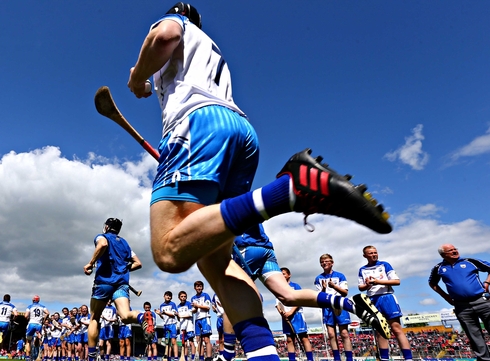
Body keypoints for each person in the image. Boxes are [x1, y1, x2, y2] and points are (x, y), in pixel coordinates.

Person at [127, 3, 392, 361]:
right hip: (240, 133)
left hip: (195, 126)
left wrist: (137, 77)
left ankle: (289, 191)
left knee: (169, 253)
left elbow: (165, 35)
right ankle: (263, 355)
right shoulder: (209, 48)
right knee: (220, 268)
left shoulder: (180, 23)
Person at [216, 225, 389, 361]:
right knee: (288, 295)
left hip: (246, 247)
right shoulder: (245, 196)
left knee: (230, 298)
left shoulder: (228, 195)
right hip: (266, 249)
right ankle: (348, 303)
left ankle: (228, 354)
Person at [83, 218, 144, 361]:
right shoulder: (125, 243)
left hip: (104, 283)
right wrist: (122, 269)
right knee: (125, 316)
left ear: (106, 227)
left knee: (94, 318)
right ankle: (142, 316)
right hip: (121, 283)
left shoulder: (102, 236)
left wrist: (91, 263)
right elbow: (138, 263)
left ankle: (92, 356)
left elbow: (102, 244)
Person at [428, 244, 490, 361]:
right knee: (474, 336)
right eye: (450, 250)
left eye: (455, 249)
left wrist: (487, 283)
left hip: (482, 301)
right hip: (461, 306)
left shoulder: (470, 262)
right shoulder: (438, 268)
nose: (455, 251)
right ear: (443, 255)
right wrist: (446, 297)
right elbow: (432, 283)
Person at [358, 246, 412, 361]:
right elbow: (361, 287)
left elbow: (396, 281)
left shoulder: (384, 265)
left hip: (387, 297)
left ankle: (408, 358)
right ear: (365, 256)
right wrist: (368, 284)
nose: (374, 254)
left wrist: (377, 281)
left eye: (375, 252)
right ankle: (384, 358)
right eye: (371, 253)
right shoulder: (362, 269)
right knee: (380, 330)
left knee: (396, 328)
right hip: (372, 299)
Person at [315, 254, 353, 361]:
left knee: (344, 333)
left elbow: (345, 293)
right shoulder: (318, 278)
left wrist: (334, 286)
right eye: (322, 262)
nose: (324, 263)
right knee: (331, 335)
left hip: (339, 304)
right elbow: (319, 297)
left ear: (332, 262)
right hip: (327, 307)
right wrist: (323, 289)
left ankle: (349, 358)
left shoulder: (340, 276)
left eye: (327, 261)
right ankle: (337, 358)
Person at [276, 268, 314, 361]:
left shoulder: (295, 286)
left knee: (303, 337)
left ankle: (310, 359)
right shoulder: (278, 288)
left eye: (284, 274)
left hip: (297, 315)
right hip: (286, 317)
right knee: (289, 339)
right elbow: (277, 304)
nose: (282, 276)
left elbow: (300, 300)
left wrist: (291, 312)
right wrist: (282, 313)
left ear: (289, 275)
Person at [191, 281, 212, 361]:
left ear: (202, 287)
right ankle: (201, 358)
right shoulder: (193, 298)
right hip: (197, 320)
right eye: (197, 286)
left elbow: (207, 307)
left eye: (200, 286)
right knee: (198, 340)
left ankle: (209, 358)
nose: (199, 288)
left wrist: (197, 306)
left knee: (206, 339)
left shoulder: (206, 295)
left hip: (205, 318)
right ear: (195, 288)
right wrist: (194, 309)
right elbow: (194, 311)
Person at [156, 291, 179, 361]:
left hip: (172, 324)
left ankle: (176, 358)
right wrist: (159, 314)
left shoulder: (173, 304)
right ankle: (168, 358)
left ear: (171, 297)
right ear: (164, 296)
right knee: (167, 342)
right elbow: (163, 317)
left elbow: (173, 314)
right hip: (165, 325)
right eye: (167, 295)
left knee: (173, 341)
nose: (168, 297)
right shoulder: (161, 305)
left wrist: (165, 312)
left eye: (169, 296)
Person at [25, 295, 50, 360]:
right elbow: (47, 313)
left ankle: (28, 357)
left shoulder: (30, 306)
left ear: (33, 300)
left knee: (28, 341)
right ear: (38, 300)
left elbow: (26, 315)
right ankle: (37, 355)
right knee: (38, 340)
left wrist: (28, 318)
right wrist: (44, 319)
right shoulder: (42, 306)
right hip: (39, 324)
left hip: (31, 324)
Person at [177, 291, 196, 361]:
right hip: (182, 327)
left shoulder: (189, 304)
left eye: (184, 296)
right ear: (179, 298)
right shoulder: (178, 307)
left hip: (189, 326)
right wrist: (177, 316)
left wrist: (180, 316)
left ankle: (193, 358)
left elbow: (189, 314)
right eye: (182, 296)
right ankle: (185, 359)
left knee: (191, 342)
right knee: (184, 344)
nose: (183, 298)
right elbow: (179, 319)